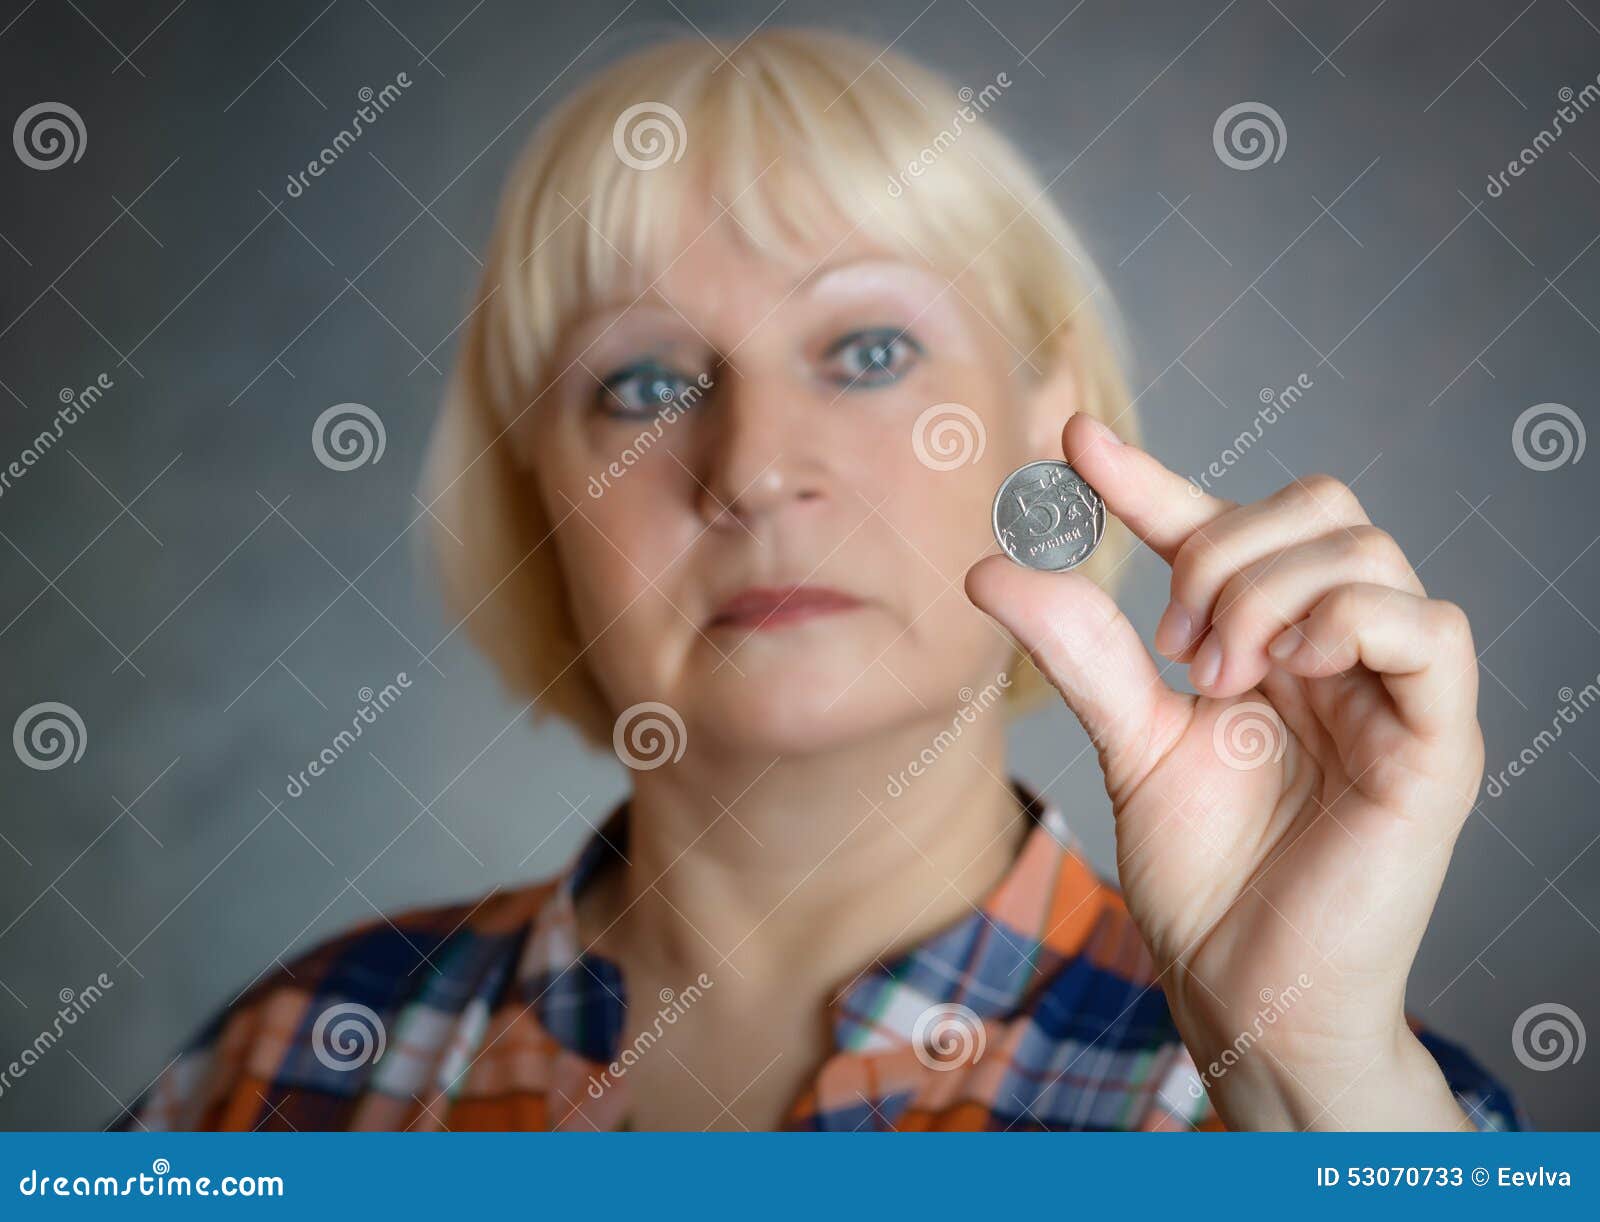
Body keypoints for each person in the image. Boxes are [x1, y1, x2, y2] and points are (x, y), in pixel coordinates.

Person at [116, 29, 1522, 1132]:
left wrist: (1306, 1079)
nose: (754, 466)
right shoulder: (285, 1069)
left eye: (865, 353)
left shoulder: (1353, 1120)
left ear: (1052, 427)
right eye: (646, 382)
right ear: (535, 491)